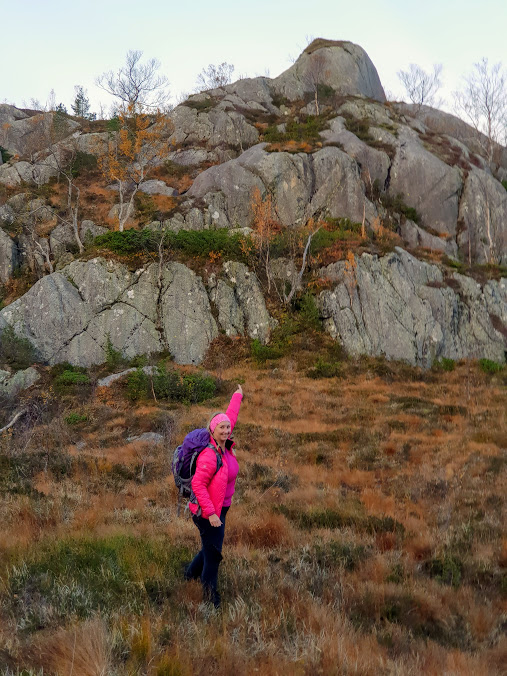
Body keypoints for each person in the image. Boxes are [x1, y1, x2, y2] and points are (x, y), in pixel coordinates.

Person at [183, 384, 243, 608]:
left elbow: (231, 415)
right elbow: (198, 485)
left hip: (221, 508)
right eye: (222, 428)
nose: (226, 431)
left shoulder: (224, 444)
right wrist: (211, 514)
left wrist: (237, 395)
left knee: (210, 547)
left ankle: (189, 575)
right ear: (213, 430)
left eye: (228, 428)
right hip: (207, 513)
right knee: (213, 555)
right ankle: (210, 599)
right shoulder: (209, 455)